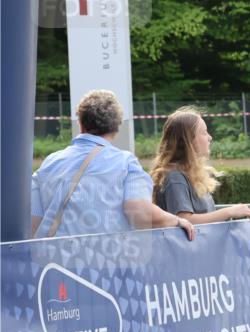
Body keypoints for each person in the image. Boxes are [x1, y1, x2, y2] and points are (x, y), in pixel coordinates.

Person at [31, 89, 195, 241]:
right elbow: (140, 214)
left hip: (52, 265)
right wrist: (176, 221)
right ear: (117, 128)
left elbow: (33, 222)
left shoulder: (49, 163)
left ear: (80, 123)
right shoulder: (126, 164)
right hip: (107, 266)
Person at [150, 107, 250, 224]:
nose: (210, 137)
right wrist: (229, 212)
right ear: (188, 140)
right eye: (204, 132)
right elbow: (185, 220)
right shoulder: (175, 177)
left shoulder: (189, 173)